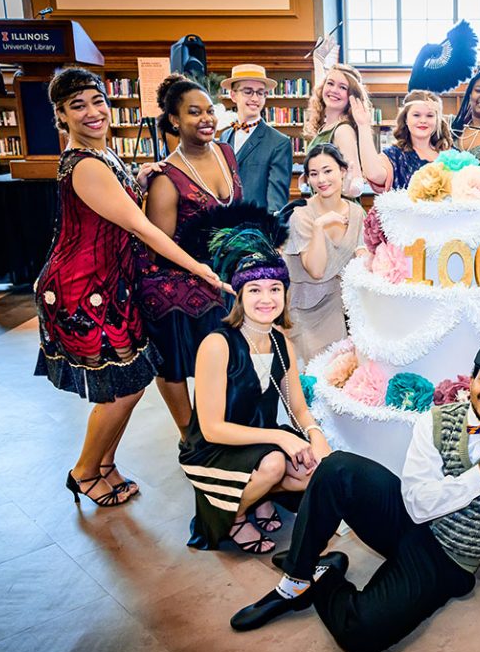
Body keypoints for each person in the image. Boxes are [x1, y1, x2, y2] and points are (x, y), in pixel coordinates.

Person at [229, 342, 480, 652]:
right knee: (337, 468)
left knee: (360, 636)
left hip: (448, 557)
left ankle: (324, 575)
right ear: (472, 379)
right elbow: (416, 505)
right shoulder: (436, 419)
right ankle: (295, 580)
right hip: (413, 519)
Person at [35, 67, 227, 507]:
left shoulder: (103, 155)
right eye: (77, 106)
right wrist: (198, 267)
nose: (92, 112)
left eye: (97, 101)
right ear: (61, 116)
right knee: (122, 391)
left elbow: (116, 206)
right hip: (82, 288)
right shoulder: (84, 163)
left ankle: (105, 464)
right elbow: (142, 227)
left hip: (111, 283)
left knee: (128, 385)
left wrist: (137, 181)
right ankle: (84, 472)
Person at [182, 227, 331, 553]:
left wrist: (316, 435)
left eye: (275, 288)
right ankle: (234, 517)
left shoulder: (281, 343)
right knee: (276, 463)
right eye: (255, 290)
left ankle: (261, 493)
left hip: (259, 438)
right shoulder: (217, 345)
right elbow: (211, 428)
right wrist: (281, 437)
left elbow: (298, 407)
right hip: (213, 447)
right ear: (239, 294)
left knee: (315, 467)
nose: (267, 299)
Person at [141, 74, 244, 441]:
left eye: (210, 111)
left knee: (228, 361)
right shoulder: (166, 178)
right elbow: (158, 246)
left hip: (224, 272)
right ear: (173, 120)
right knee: (175, 365)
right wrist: (203, 270)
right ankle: (190, 436)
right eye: (193, 112)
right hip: (179, 281)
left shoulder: (226, 153)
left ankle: (220, 428)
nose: (206, 119)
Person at [282, 143, 367, 363]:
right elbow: (316, 271)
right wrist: (319, 226)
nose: (321, 180)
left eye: (327, 171)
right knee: (310, 382)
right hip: (305, 312)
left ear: (342, 171)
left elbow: (362, 259)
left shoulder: (357, 213)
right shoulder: (301, 216)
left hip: (339, 309)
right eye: (314, 174)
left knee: (338, 379)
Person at [220, 64, 293, 213]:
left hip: (254, 229)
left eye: (260, 93)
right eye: (248, 91)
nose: (255, 98)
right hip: (224, 225)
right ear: (233, 95)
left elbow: (276, 204)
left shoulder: (279, 142)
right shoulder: (224, 136)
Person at [354, 89, 454, 192]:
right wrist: (363, 126)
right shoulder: (394, 155)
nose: (423, 120)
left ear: (437, 120)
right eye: (416, 115)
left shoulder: (450, 155)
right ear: (406, 119)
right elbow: (374, 174)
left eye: (430, 115)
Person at [303, 63, 370, 197]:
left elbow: (356, 181)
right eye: (330, 83)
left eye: (342, 87)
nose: (334, 90)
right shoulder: (325, 127)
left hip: (339, 212)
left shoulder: (343, 130)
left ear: (351, 96)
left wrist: (347, 188)